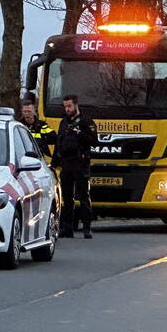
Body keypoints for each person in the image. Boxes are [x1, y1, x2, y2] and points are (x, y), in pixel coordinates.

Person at [51, 94, 97, 239]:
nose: (67, 109)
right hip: (66, 163)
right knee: (67, 197)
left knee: (83, 196)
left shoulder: (86, 121)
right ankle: (67, 228)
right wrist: (54, 162)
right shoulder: (63, 122)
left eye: (69, 106)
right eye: (65, 106)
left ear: (76, 105)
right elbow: (59, 143)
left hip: (81, 163)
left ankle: (87, 227)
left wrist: (80, 134)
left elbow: (94, 141)